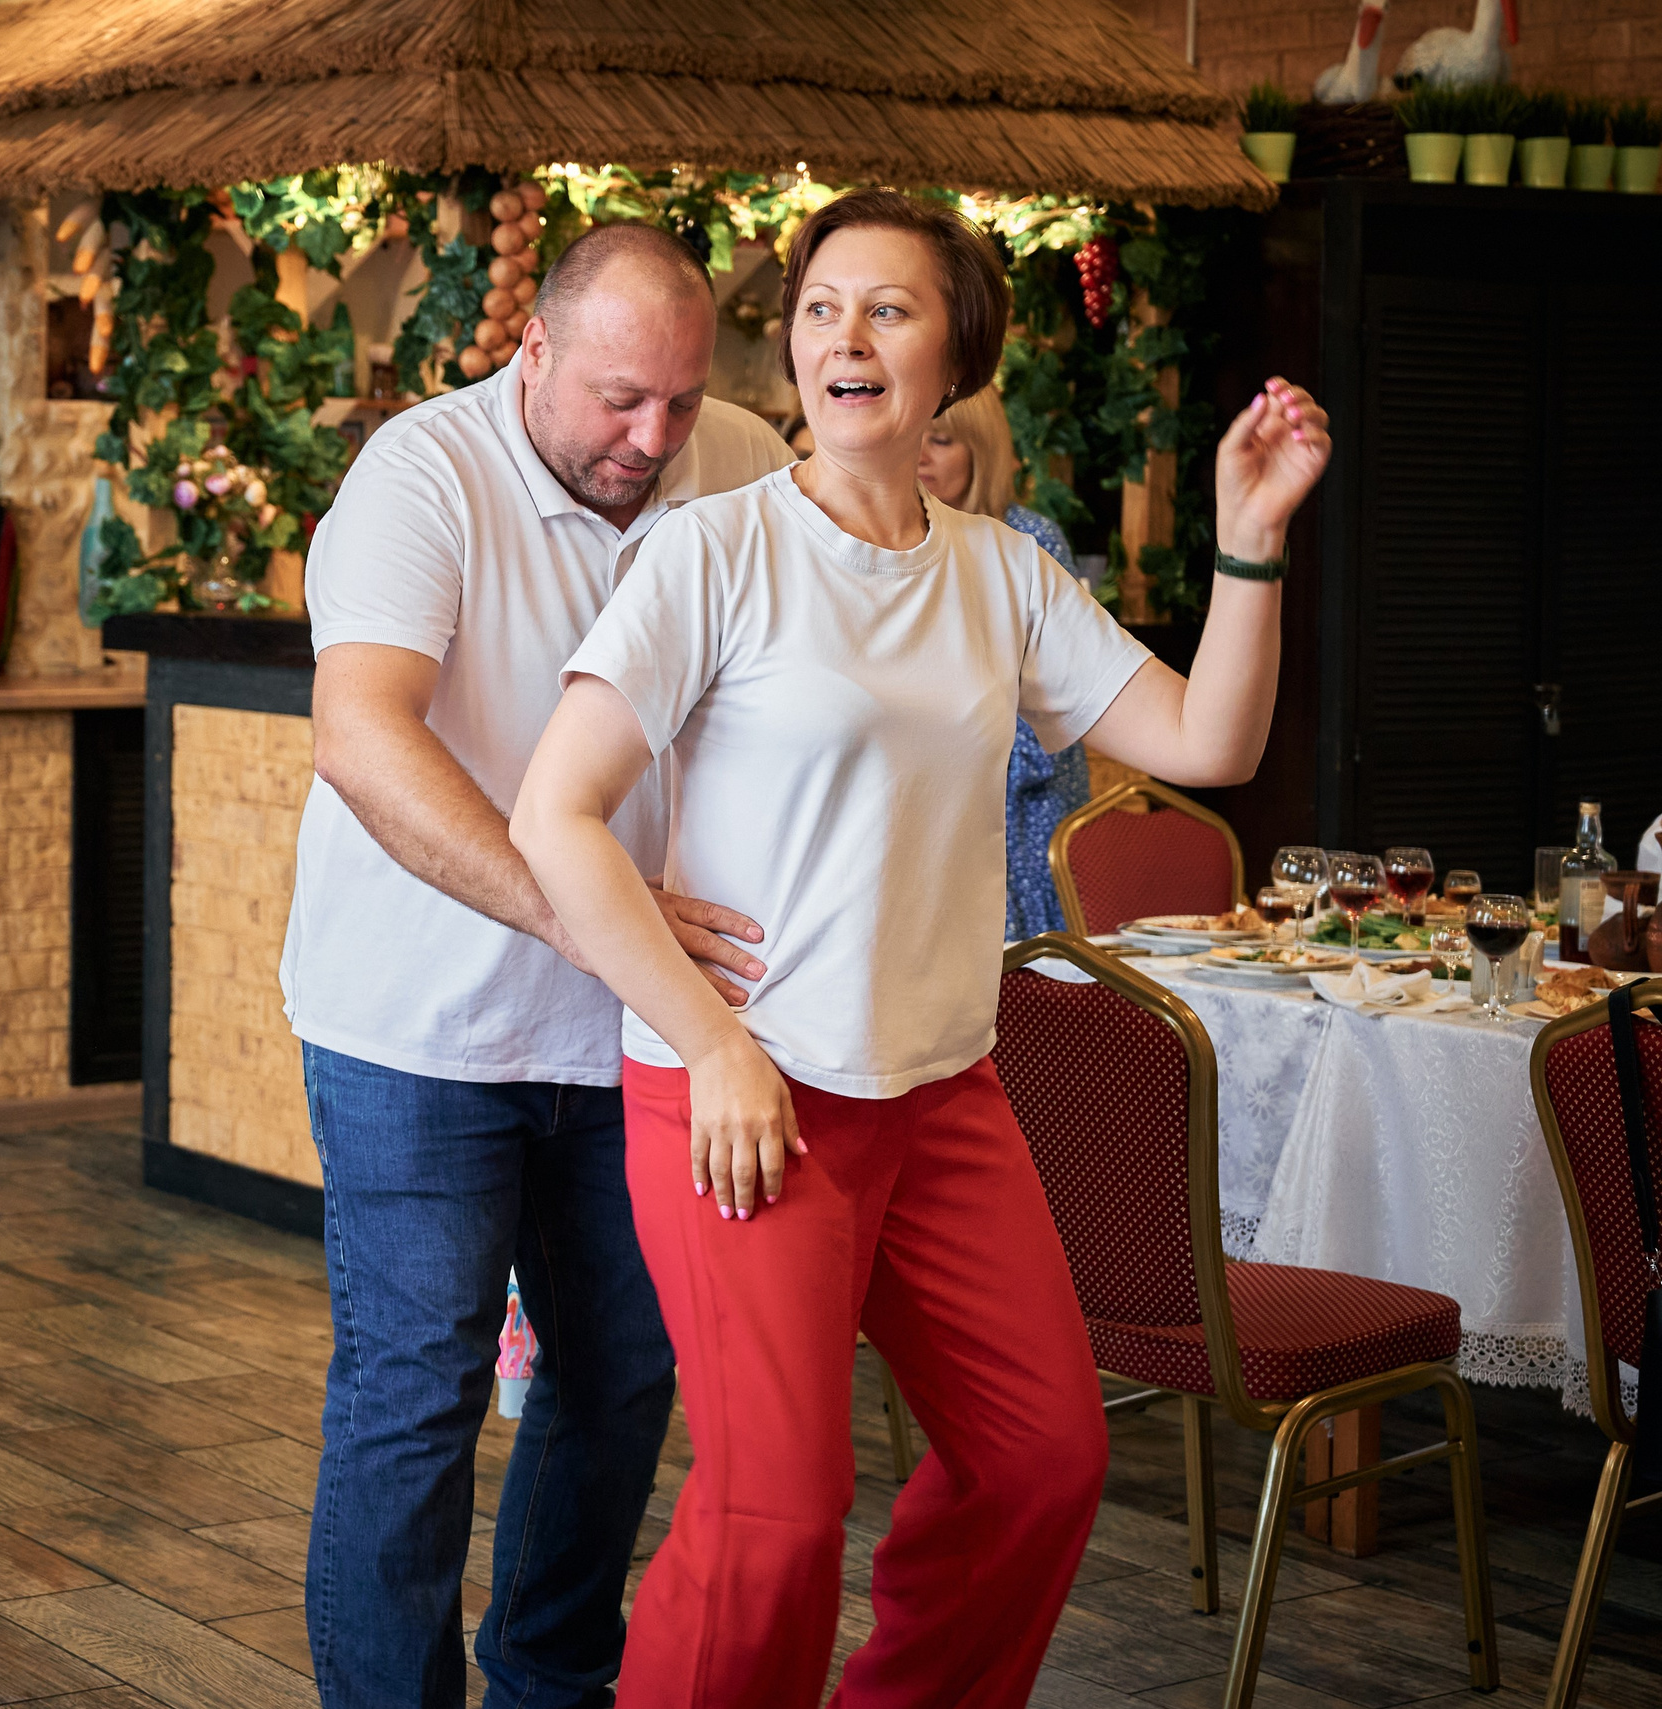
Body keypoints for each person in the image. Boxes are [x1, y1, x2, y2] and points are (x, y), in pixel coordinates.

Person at [509, 188, 1329, 1709]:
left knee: (1041, 1462)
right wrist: (714, 1043)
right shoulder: (713, 553)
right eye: (822, 306)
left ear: (957, 353)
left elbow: (1210, 739)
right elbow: (556, 816)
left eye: (889, 308)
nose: (846, 335)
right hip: (742, 1105)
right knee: (773, 1526)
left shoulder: (1001, 572)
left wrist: (1247, 547)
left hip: (942, 1095)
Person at [282, 222, 797, 1708]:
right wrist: (596, 919)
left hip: (628, 1037)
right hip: (417, 1028)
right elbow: (364, 738)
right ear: (534, 354)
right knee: (416, 1397)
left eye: (683, 402)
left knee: (619, 1385)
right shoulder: (417, 477)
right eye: (619, 400)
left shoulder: (742, 457)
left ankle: (550, 1687)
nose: (653, 440)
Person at [916, 386, 1094, 938]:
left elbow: (1053, 698)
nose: (919, 452)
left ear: (981, 449)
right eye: (913, 433)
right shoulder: (902, 540)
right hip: (935, 802)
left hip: (1023, 806)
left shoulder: (1028, 539)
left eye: (941, 441)